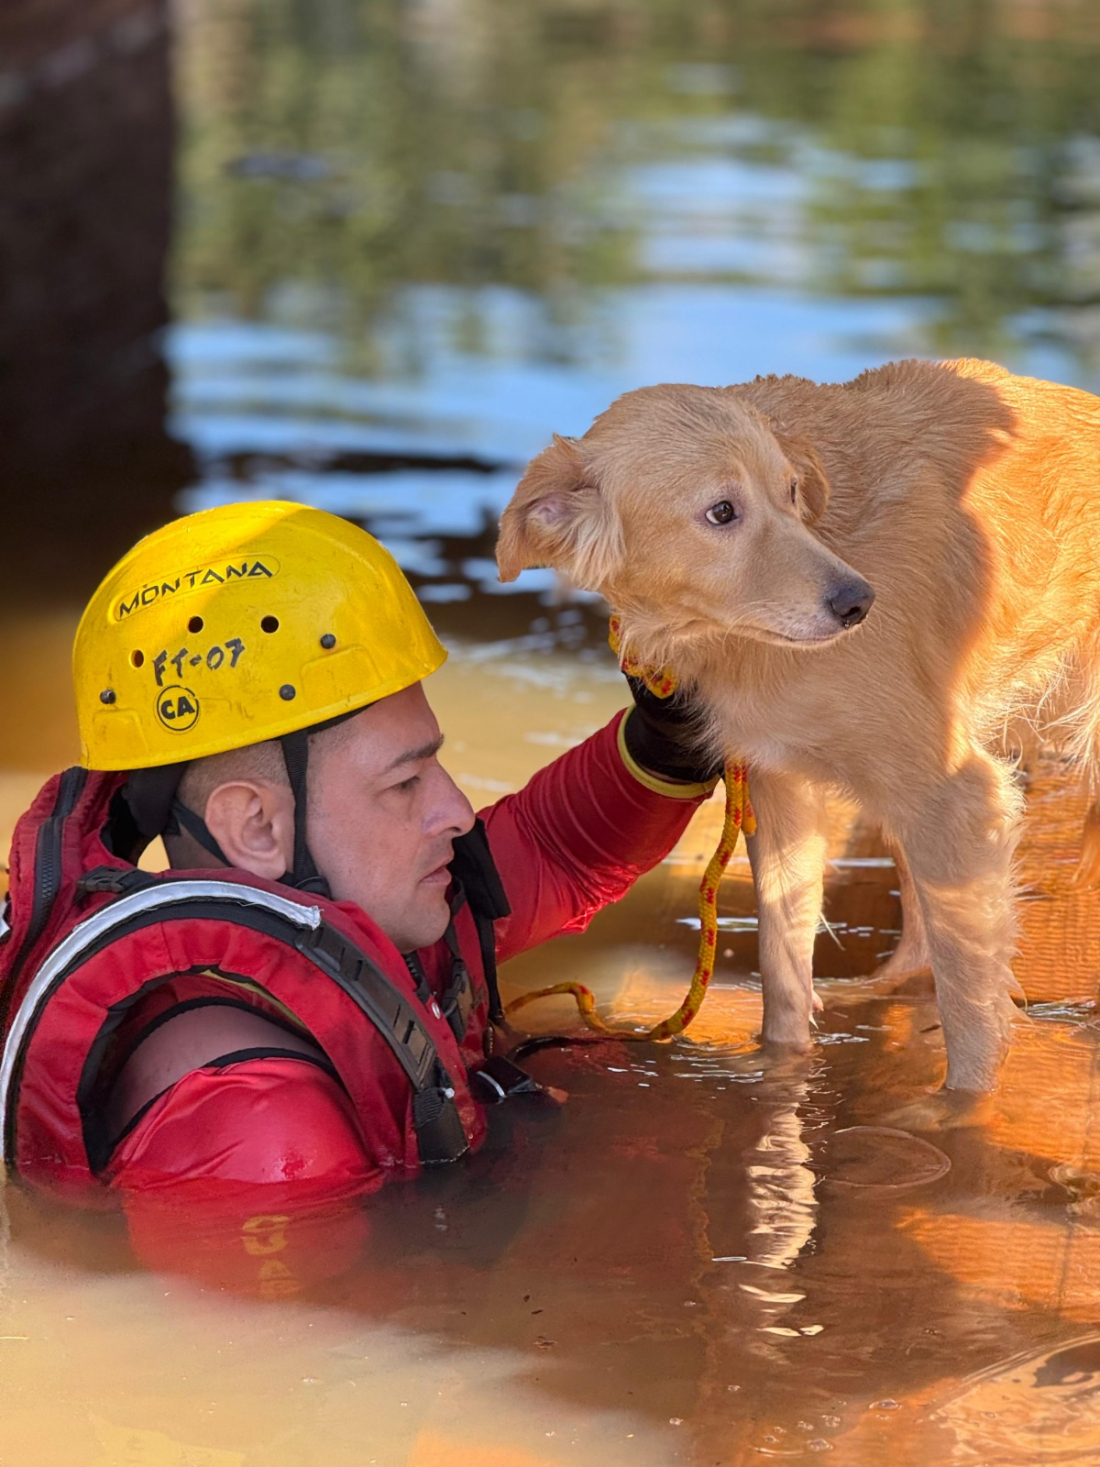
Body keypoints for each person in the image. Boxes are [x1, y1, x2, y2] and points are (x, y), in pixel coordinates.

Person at [0, 501, 720, 1208]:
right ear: (257, 827)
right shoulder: (261, 1134)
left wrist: (675, 732)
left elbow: (554, 847)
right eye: (404, 782)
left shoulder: (361, 916)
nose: (456, 811)